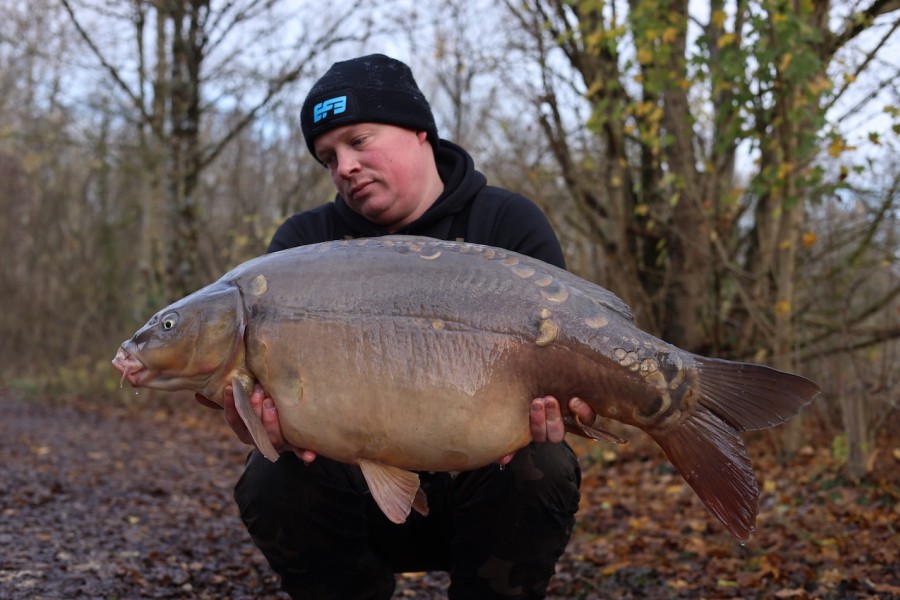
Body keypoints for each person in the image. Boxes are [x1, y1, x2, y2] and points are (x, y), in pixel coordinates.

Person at [212, 54, 596, 600]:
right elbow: (267, 399)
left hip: (483, 480)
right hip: (354, 493)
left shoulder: (507, 225)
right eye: (328, 158)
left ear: (420, 132)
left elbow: (566, 371)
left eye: (358, 141)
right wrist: (262, 426)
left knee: (546, 463)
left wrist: (575, 407)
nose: (343, 166)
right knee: (270, 475)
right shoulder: (301, 249)